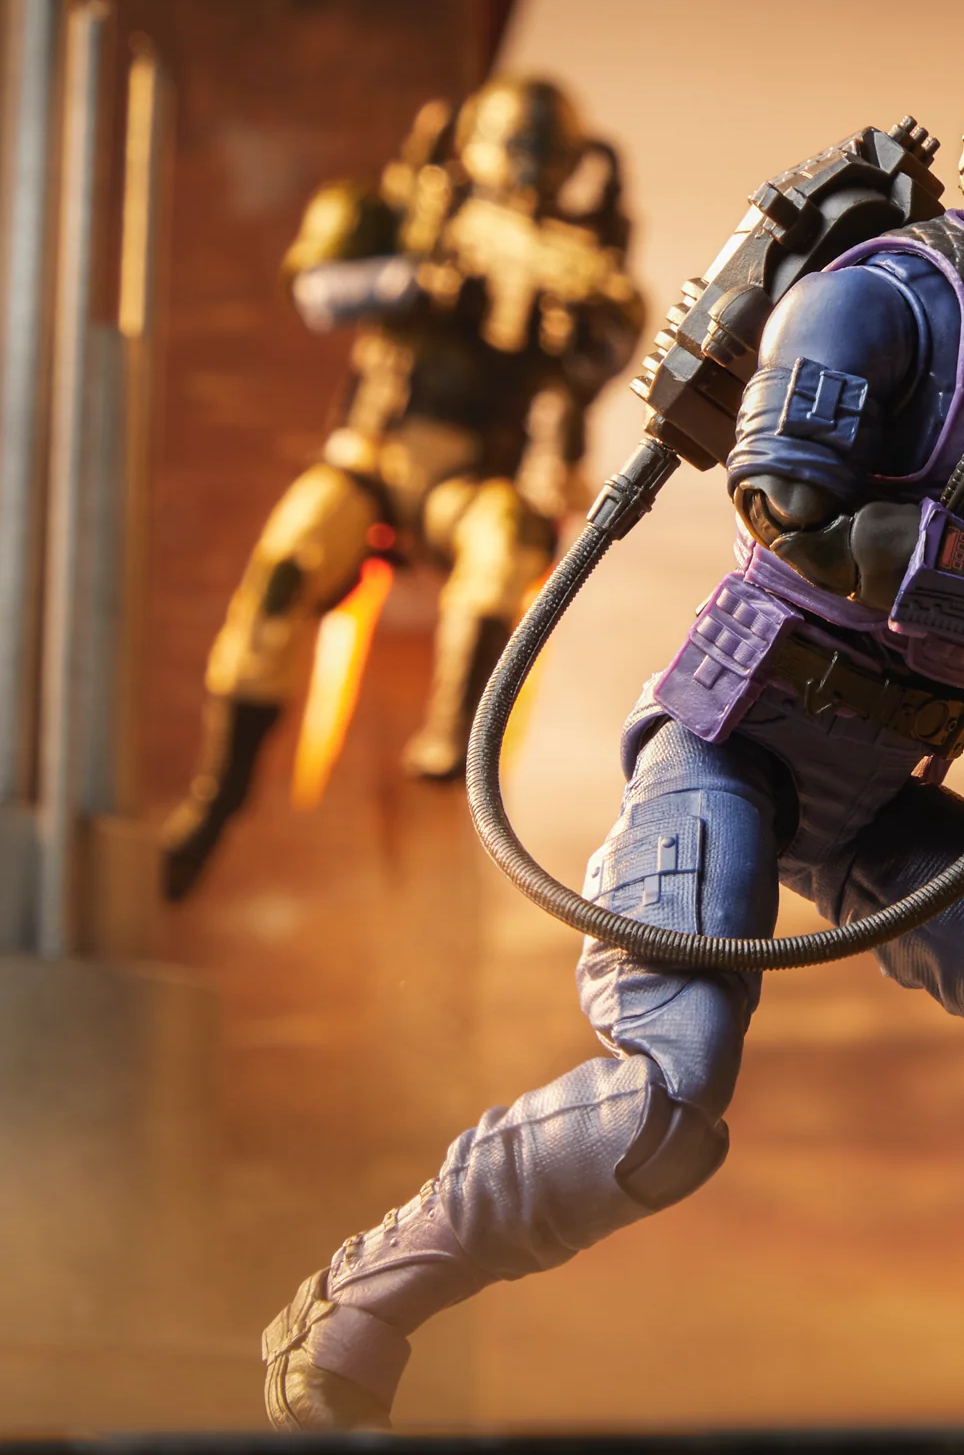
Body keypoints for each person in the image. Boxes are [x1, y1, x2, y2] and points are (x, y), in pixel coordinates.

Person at [260, 8, 964, 1430]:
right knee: (665, 1098)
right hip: (737, 743)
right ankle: (361, 1300)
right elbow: (797, 509)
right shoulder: (885, 295)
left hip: (881, 790)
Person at [162, 75, 646, 900]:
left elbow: (607, 353)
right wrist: (419, 280)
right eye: (513, 148)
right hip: (374, 457)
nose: (524, 171)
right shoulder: (407, 210)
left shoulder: (576, 260)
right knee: (284, 567)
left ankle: (455, 740)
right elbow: (316, 288)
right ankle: (218, 796)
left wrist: (571, 318)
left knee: (504, 547)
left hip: (473, 477)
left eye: (544, 157)